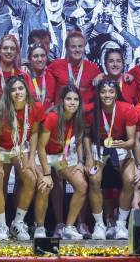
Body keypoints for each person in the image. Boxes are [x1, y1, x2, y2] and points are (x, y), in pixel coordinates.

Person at [0, 75, 45, 241]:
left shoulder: (35, 107)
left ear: (26, 90)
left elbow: (34, 132)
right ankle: (1, 226)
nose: (17, 92)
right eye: (13, 90)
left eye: (20, 88)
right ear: (8, 93)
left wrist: (32, 158)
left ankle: (17, 222)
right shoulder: (1, 108)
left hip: (19, 148)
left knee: (31, 178)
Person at [84, 79, 138, 240]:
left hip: (121, 149)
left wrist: (124, 144)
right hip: (98, 150)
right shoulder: (90, 110)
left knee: (129, 180)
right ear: (98, 93)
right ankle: (100, 224)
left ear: (116, 93)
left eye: (111, 91)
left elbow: (132, 141)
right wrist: (87, 157)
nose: (107, 95)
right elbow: (86, 135)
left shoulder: (127, 109)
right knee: (94, 180)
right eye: (103, 91)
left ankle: (121, 224)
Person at [35, 85, 88, 240]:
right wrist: (46, 173)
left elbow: (78, 141)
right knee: (45, 186)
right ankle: (40, 228)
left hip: (61, 157)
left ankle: (69, 227)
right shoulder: (52, 117)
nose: (72, 102)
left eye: (76, 99)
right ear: (62, 101)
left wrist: (80, 161)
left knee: (82, 185)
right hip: (43, 155)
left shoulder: (78, 116)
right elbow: (40, 147)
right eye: (69, 99)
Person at [47, 31, 102, 106]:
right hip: (62, 115)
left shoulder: (93, 68)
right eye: (73, 46)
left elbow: (105, 86)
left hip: (85, 115)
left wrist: (103, 75)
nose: (77, 50)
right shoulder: (56, 65)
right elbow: (40, 75)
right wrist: (26, 66)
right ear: (66, 48)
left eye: (80, 46)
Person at [26, 43, 55, 111]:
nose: (40, 59)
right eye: (35, 56)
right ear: (29, 59)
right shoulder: (24, 77)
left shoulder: (53, 76)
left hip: (48, 119)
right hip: (29, 120)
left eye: (43, 56)